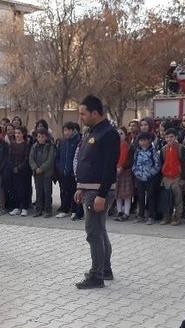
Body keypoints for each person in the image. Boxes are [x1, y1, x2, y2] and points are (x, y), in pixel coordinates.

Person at [74, 95, 119, 289]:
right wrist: (80, 186)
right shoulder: (92, 132)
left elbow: (110, 167)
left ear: (95, 113)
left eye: (83, 113)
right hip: (89, 189)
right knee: (100, 231)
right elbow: (87, 161)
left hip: (99, 192)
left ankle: (96, 276)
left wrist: (101, 194)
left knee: (94, 233)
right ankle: (105, 269)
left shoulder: (108, 133)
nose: (81, 117)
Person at [159, 129, 185, 226]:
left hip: (177, 177)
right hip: (166, 177)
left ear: (176, 137)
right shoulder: (163, 149)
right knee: (166, 198)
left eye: (171, 136)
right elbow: (161, 163)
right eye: (167, 137)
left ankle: (177, 217)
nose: (169, 139)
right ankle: (167, 216)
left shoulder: (182, 148)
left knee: (178, 199)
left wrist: (183, 179)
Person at [130, 132, 161, 225]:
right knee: (140, 197)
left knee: (151, 196)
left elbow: (157, 165)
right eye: (141, 140)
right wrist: (136, 172)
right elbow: (134, 163)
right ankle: (140, 215)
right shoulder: (137, 151)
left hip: (150, 178)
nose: (143, 142)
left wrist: (150, 173)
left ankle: (151, 216)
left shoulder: (153, 151)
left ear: (149, 140)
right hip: (139, 177)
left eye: (145, 140)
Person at [56, 122, 82, 220]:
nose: (66, 132)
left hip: (73, 172)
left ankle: (75, 211)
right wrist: (59, 167)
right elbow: (58, 156)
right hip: (63, 171)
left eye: (68, 130)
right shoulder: (62, 142)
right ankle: (64, 209)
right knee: (64, 191)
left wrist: (74, 170)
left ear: (72, 130)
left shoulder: (78, 141)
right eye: (64, 130)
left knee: (73, 192)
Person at [29, 128, 56, 218]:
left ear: (46, 137)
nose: (40, 138)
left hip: (46, 173)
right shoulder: (34, 146)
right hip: (37, 173)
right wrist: (35, 168)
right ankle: (38, 210)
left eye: (42, 137)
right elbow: (31, 158)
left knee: (47, 192)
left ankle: (48, 210)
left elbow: (50, 160)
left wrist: (42, 168)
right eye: (39, 137)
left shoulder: (50, 146)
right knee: (38, 192)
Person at [7, 127, 31, 216]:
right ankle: (16, 207)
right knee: (15, 189)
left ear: (23, 134)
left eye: (19, 133)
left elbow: (26, 158)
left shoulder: (26, 145)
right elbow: (9, 157)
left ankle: (24, 207)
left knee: (23, 189)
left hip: (23, 171)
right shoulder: (12, 145)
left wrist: (19, 167)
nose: (17, 135)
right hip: (13, 170)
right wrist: (13, 167)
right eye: (16, 133)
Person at [114, 127, 133, 221]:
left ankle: (126, 212)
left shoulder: (128, 146)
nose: (119, 136)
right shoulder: (114, 145)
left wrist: (121, 167)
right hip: (115, 171)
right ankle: (119, 211)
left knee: (126, 194)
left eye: (121, 134)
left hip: (125, 172)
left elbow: (127, 159)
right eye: (117, 134)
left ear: (125, 135)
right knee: (117, 193)